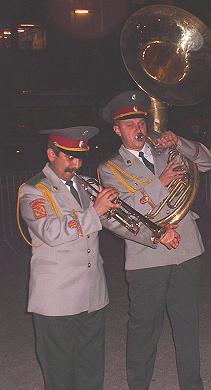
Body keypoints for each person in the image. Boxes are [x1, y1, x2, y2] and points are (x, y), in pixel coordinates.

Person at [18, 126, 180, 390]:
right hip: (56, 300)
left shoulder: (88, 184)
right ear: (51, 154)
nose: (76, 163)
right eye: (69, 157)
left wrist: (155, 236)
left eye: (80, 157)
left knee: (92, 373)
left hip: (93, 294)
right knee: (60, 376)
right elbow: (50, 231)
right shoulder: (34, 190)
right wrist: (95, 212)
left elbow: (118, 222)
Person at [98, 90, 211, 390]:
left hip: (187, 249)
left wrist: (181, 142)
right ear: (117, 130)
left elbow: (207, 162)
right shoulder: (109, 169)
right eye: (129, 125)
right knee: (143, 331)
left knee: (187, 326)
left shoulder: (168, 151)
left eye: (140, 122)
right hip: (146, 257)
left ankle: (193, 385)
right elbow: (119, 212)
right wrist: (159, 182)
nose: (137, 129)